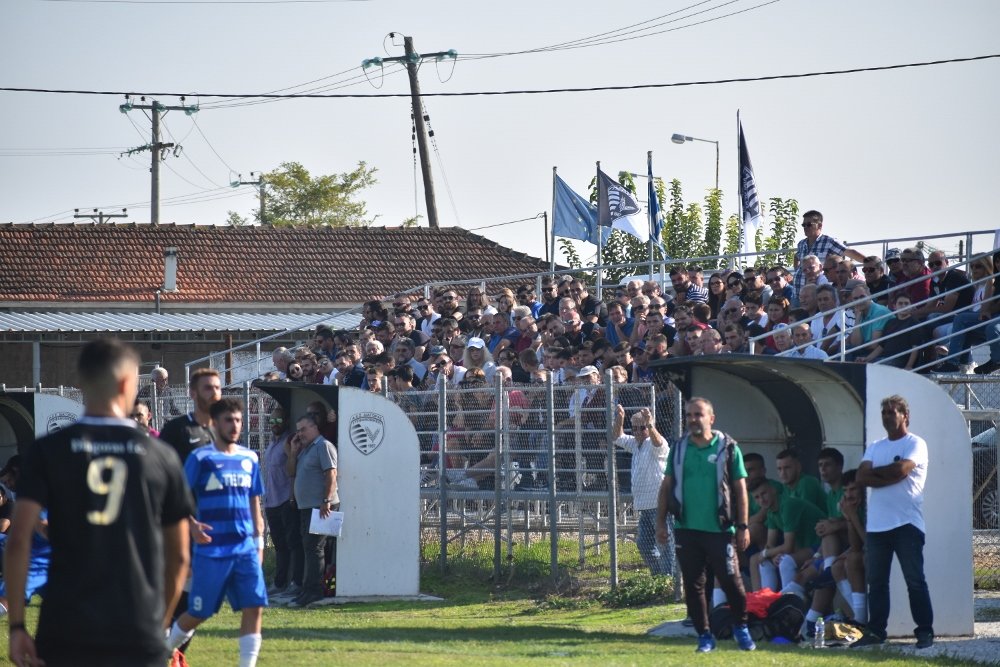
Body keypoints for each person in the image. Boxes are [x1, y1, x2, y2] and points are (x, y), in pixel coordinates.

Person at [5, 338, 192, 667]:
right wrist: (159, 625)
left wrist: (18, 626)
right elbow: (178, 555)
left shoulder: (48, 449)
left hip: (66, 623)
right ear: (126, 383)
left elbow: (19, 540)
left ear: (81, 381)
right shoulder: (161, 455)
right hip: (136, 623)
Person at [166, 398, 267, 667]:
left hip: (244, 547)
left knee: (254, 605)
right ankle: (162, 652)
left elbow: (254, 501)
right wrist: (191, 524)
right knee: (200, 611)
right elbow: (177, 498)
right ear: (215, 423)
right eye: (228, 420)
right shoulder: (201, 458)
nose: (234, 426)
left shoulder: (250, 458)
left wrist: (259, 543)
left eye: (238, 420)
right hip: (212, 550)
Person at [656, 397, 756, 653]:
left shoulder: (727, 447)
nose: (692, 419)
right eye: (689, 415)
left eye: (698, 414)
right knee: (694, 584)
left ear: (711, 418)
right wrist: (660, 523)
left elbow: (740, 489)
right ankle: (704, 635)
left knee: (731, 581)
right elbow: (666, 486)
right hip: (686, 529)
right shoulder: (679, 448)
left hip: (720, 530)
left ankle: (741, 628)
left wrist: (743, 526)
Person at [854, 395, 934, 649]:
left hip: (906, 524)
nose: (887, 417)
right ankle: (876, 631)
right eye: (884, 413)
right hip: (878, 526)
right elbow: (861, 476)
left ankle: (924, 631)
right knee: (876, 582)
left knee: (915, 580)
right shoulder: (875, 446)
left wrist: (885, 473)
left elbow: (901, 471)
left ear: (905, 416)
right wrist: (889, 473)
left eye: (892, 412)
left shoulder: (916, 443)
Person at [287, 413, 339, 608]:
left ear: (315, 427)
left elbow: (331, 474)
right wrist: (293, 452)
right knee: (309, 548)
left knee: (315, 548)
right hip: (306, 507)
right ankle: (307, 590)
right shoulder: (304, 449)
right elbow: (290, 472)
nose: (299, 434)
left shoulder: (323, 446)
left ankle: (315, 591)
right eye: (298, 430)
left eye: (303, 429)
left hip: (321, 506)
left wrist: (326, 500)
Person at [612, 405, 670, 576]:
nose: (637, 431)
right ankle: (660, 577)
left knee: (665, 545)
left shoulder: (654, 443)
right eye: (634, 428)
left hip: (659, 504)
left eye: (641, 427)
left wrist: (650, 425)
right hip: (644, 506)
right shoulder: (635, 443)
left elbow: (658, 443)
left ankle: (669, 581)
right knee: (644, 545)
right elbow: (617, 437)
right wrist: (620, 418)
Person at [261, 405, 303, 601]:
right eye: (272, 421)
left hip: (286, 499)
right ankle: (279, 582)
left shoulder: (289, 440)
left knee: (293, 543)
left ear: (285, 422)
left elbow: (293, 468)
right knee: (279, 545)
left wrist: (293, 496)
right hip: (272, 501)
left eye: (278, 421)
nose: (274, 425)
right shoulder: (272, 442)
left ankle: (295, 582)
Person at [159, 368, 223, 464]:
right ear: (193, 393)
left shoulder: (223, 428)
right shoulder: (175, 429)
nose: (214, 393)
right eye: (208, 388)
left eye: (217, 388)